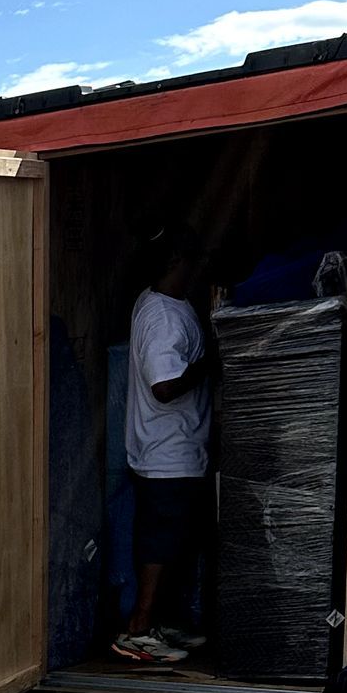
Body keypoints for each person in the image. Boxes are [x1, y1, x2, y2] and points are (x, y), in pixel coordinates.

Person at [114, 231, 216, 668]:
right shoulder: (163, 318)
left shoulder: (167, 302)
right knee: (160, 543)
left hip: (178, 449)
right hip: (166, 452)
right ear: (175, 260)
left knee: (175, 541)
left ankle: (156, 621)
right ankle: (137, 630)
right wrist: (212, 360)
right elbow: (165, 386)